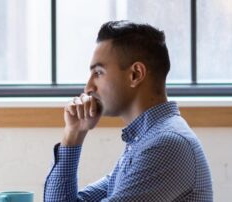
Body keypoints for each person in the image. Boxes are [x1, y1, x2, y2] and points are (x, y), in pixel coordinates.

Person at [44, 20, 213, 202]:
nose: (88, 88)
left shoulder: (166, 145)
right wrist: (73, 134)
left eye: (98, 73)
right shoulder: (144, 141)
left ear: (136, 74)